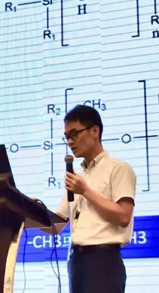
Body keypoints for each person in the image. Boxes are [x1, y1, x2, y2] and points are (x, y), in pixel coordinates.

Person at [55, 104, 136, 293]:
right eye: (67, 137)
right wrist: (24, 209)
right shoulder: (79, 177)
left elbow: (124, 216)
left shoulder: (119, 169)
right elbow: (57, 224)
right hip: (76, 261)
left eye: (74, 134)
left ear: (94, 131)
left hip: (103, 261)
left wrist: (85, 191)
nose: (70, 142)